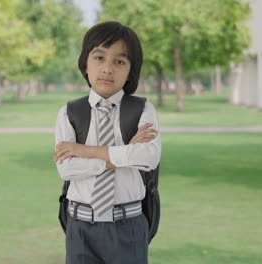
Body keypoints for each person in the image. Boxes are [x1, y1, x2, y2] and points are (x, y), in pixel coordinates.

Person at [54, 21, 161, 264]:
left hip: (129, 225)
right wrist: (123, 154)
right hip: (80, 227)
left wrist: (86, 151)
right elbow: (67, 168)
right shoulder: (69, 113)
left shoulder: (142, 110)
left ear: (131, 70)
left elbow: (148, 157)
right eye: (99, 58)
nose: (108, 69)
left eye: (119, 61)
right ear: (85, 63)